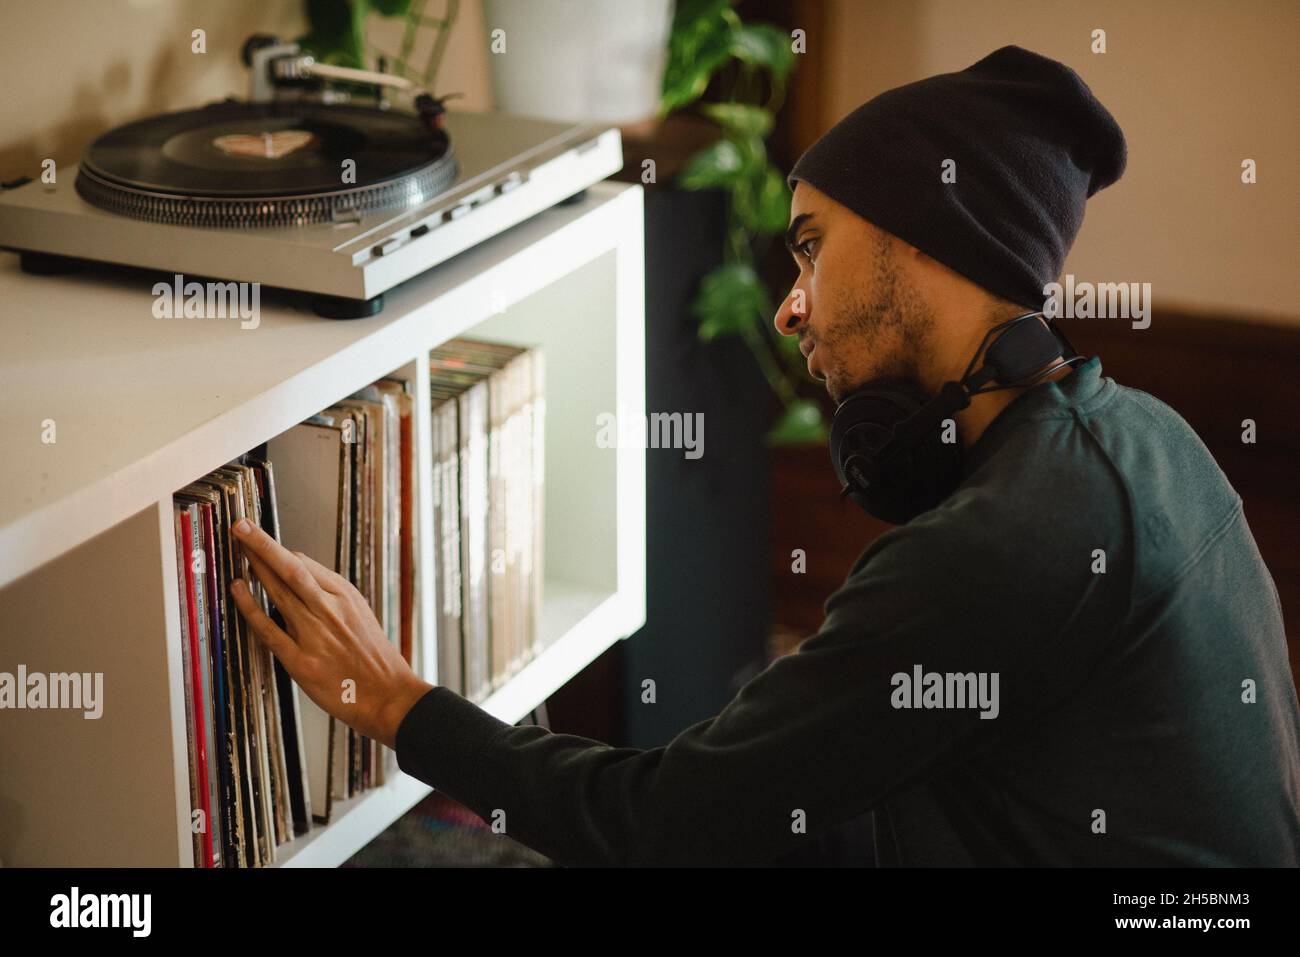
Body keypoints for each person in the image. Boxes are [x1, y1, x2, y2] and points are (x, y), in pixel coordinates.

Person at [229, 45, 1300, 866]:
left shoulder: (1007, 542)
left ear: (921, 237)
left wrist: (396, 704)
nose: (790, 309)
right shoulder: (1139, 435)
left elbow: (659, 827)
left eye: (809, 246)